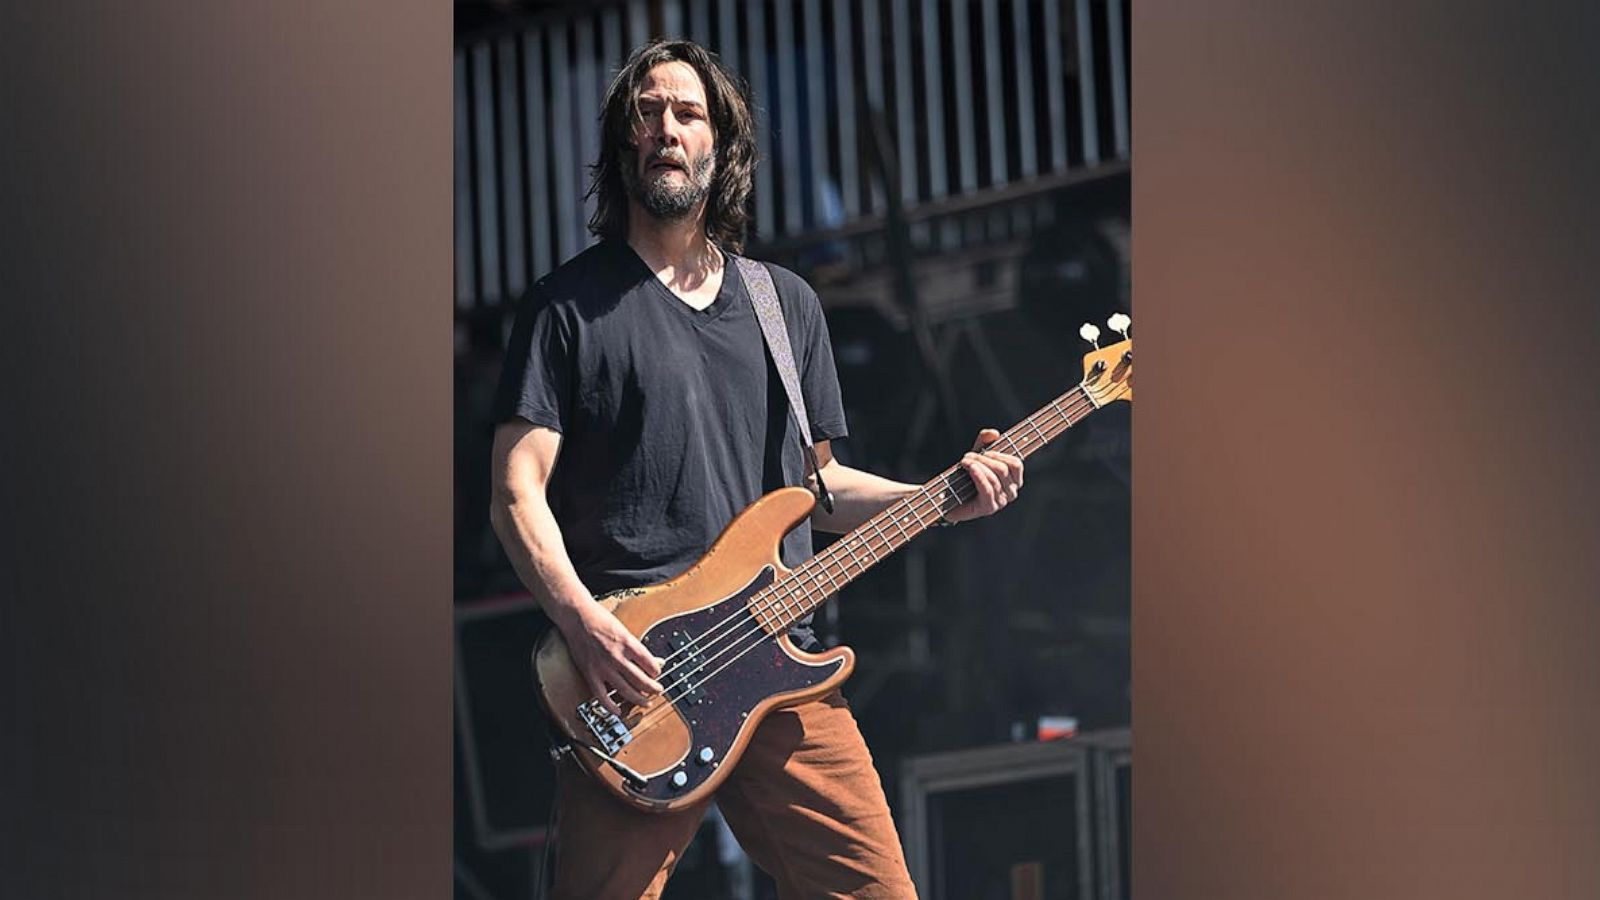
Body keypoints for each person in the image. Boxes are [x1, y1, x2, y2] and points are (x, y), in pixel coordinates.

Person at [489, 39, 1024, 899]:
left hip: (780, 669)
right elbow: (517, 490)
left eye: (689, 113)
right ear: (624, 143)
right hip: (639, 680)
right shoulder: (566, 310)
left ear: (721, 146)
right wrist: (583, 625)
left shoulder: (785, 307)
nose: (667, 128)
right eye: (648, 112)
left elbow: (820, 491)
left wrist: (944, 498)